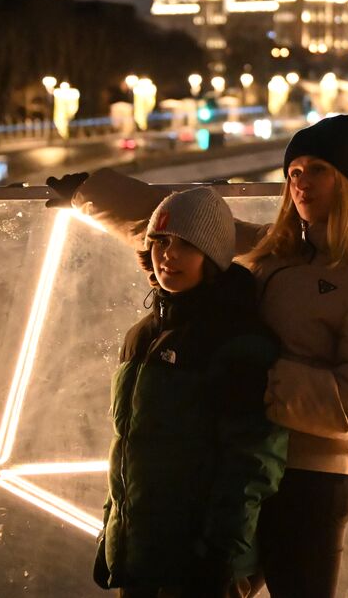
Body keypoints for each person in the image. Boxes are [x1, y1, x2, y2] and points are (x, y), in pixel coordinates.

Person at [50, 114, 348, 598]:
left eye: (318, 170)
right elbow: (187, 233)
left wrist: (262, 382)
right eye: (293, 172)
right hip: (247, 461)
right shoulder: (280, 250)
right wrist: (89, 193)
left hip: (315, 478)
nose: (301, 184)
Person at [92, 185, 288, 598]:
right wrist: (113, 532)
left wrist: (218, 557)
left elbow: (251, 462)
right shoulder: (141, 336)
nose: (169, 255)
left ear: (214, 256)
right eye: (160, 241)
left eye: (186, 245)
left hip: (199, 566)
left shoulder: (238, 340)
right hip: (142, 556)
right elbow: (127, 444)